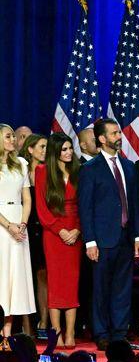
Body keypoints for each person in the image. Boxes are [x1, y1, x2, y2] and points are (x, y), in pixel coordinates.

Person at [77, 118, 139, 350]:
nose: (119, 136)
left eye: (119, 133)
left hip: (125, 238)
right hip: (102, 240)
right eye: (114, 133)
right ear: (102, 139)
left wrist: (137, 236)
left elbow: (134, 204)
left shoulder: (128, 166)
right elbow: (85, 208)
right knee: (100, 288)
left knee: (122, 288)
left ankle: (119, 332)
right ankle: (102, 332)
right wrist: (90, 241)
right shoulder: (89, 169)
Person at [34, 133, 82, 348]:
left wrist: (77, 230)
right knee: (55, 284)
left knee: (72, 284)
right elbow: (41, 208)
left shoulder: (79, 170)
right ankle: (57, 333)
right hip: (53, 235)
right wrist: (59, 229)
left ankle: (70, 333)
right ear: (55, 152)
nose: (69, 152)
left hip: (75, 234)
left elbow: (85, 204)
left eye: (70, 148)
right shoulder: (42, 171)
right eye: (64, 149)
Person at [0, 124, 36, 348]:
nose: (13, 139)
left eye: (14, 135)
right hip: (2, 224)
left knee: (15, 279)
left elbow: (27, 199)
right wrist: (8, 225)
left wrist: (22, 224)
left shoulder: (21, 164)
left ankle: (7, 335)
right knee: (2, 276)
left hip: (18, 226)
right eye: (8, 136)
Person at [19, 133, 47, 336]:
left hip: (44, 228)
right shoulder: (20, 170)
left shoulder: (48, 172)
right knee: (23, 275)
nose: (45, 151)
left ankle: (44, 323)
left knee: (43, 275)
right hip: (24, 229)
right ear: (30, 149)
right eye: (41, 146)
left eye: (46, 146)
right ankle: (25, 324)